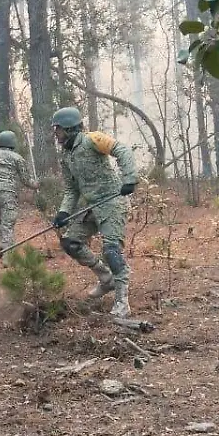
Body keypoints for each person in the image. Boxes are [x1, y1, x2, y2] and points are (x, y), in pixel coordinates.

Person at [50, 107, 138, 318]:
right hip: (90, 207)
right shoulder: (66, 156)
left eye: (58, 129)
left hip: (112, 202)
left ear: (70, 128)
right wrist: (63, 212)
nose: (56, 134)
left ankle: (122, 301)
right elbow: (72, 189)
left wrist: (129, 179)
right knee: (70, 242)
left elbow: (122, 151)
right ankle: (105, 278)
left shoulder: (93, 139)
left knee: (111, 251)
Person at [0, 130, 39, 254]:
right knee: (7, 226)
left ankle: (1, 244)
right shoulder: (17, 158)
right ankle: (8, 257)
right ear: (13, 143)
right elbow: (26, 180)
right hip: (8, 194)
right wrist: (36, 185)